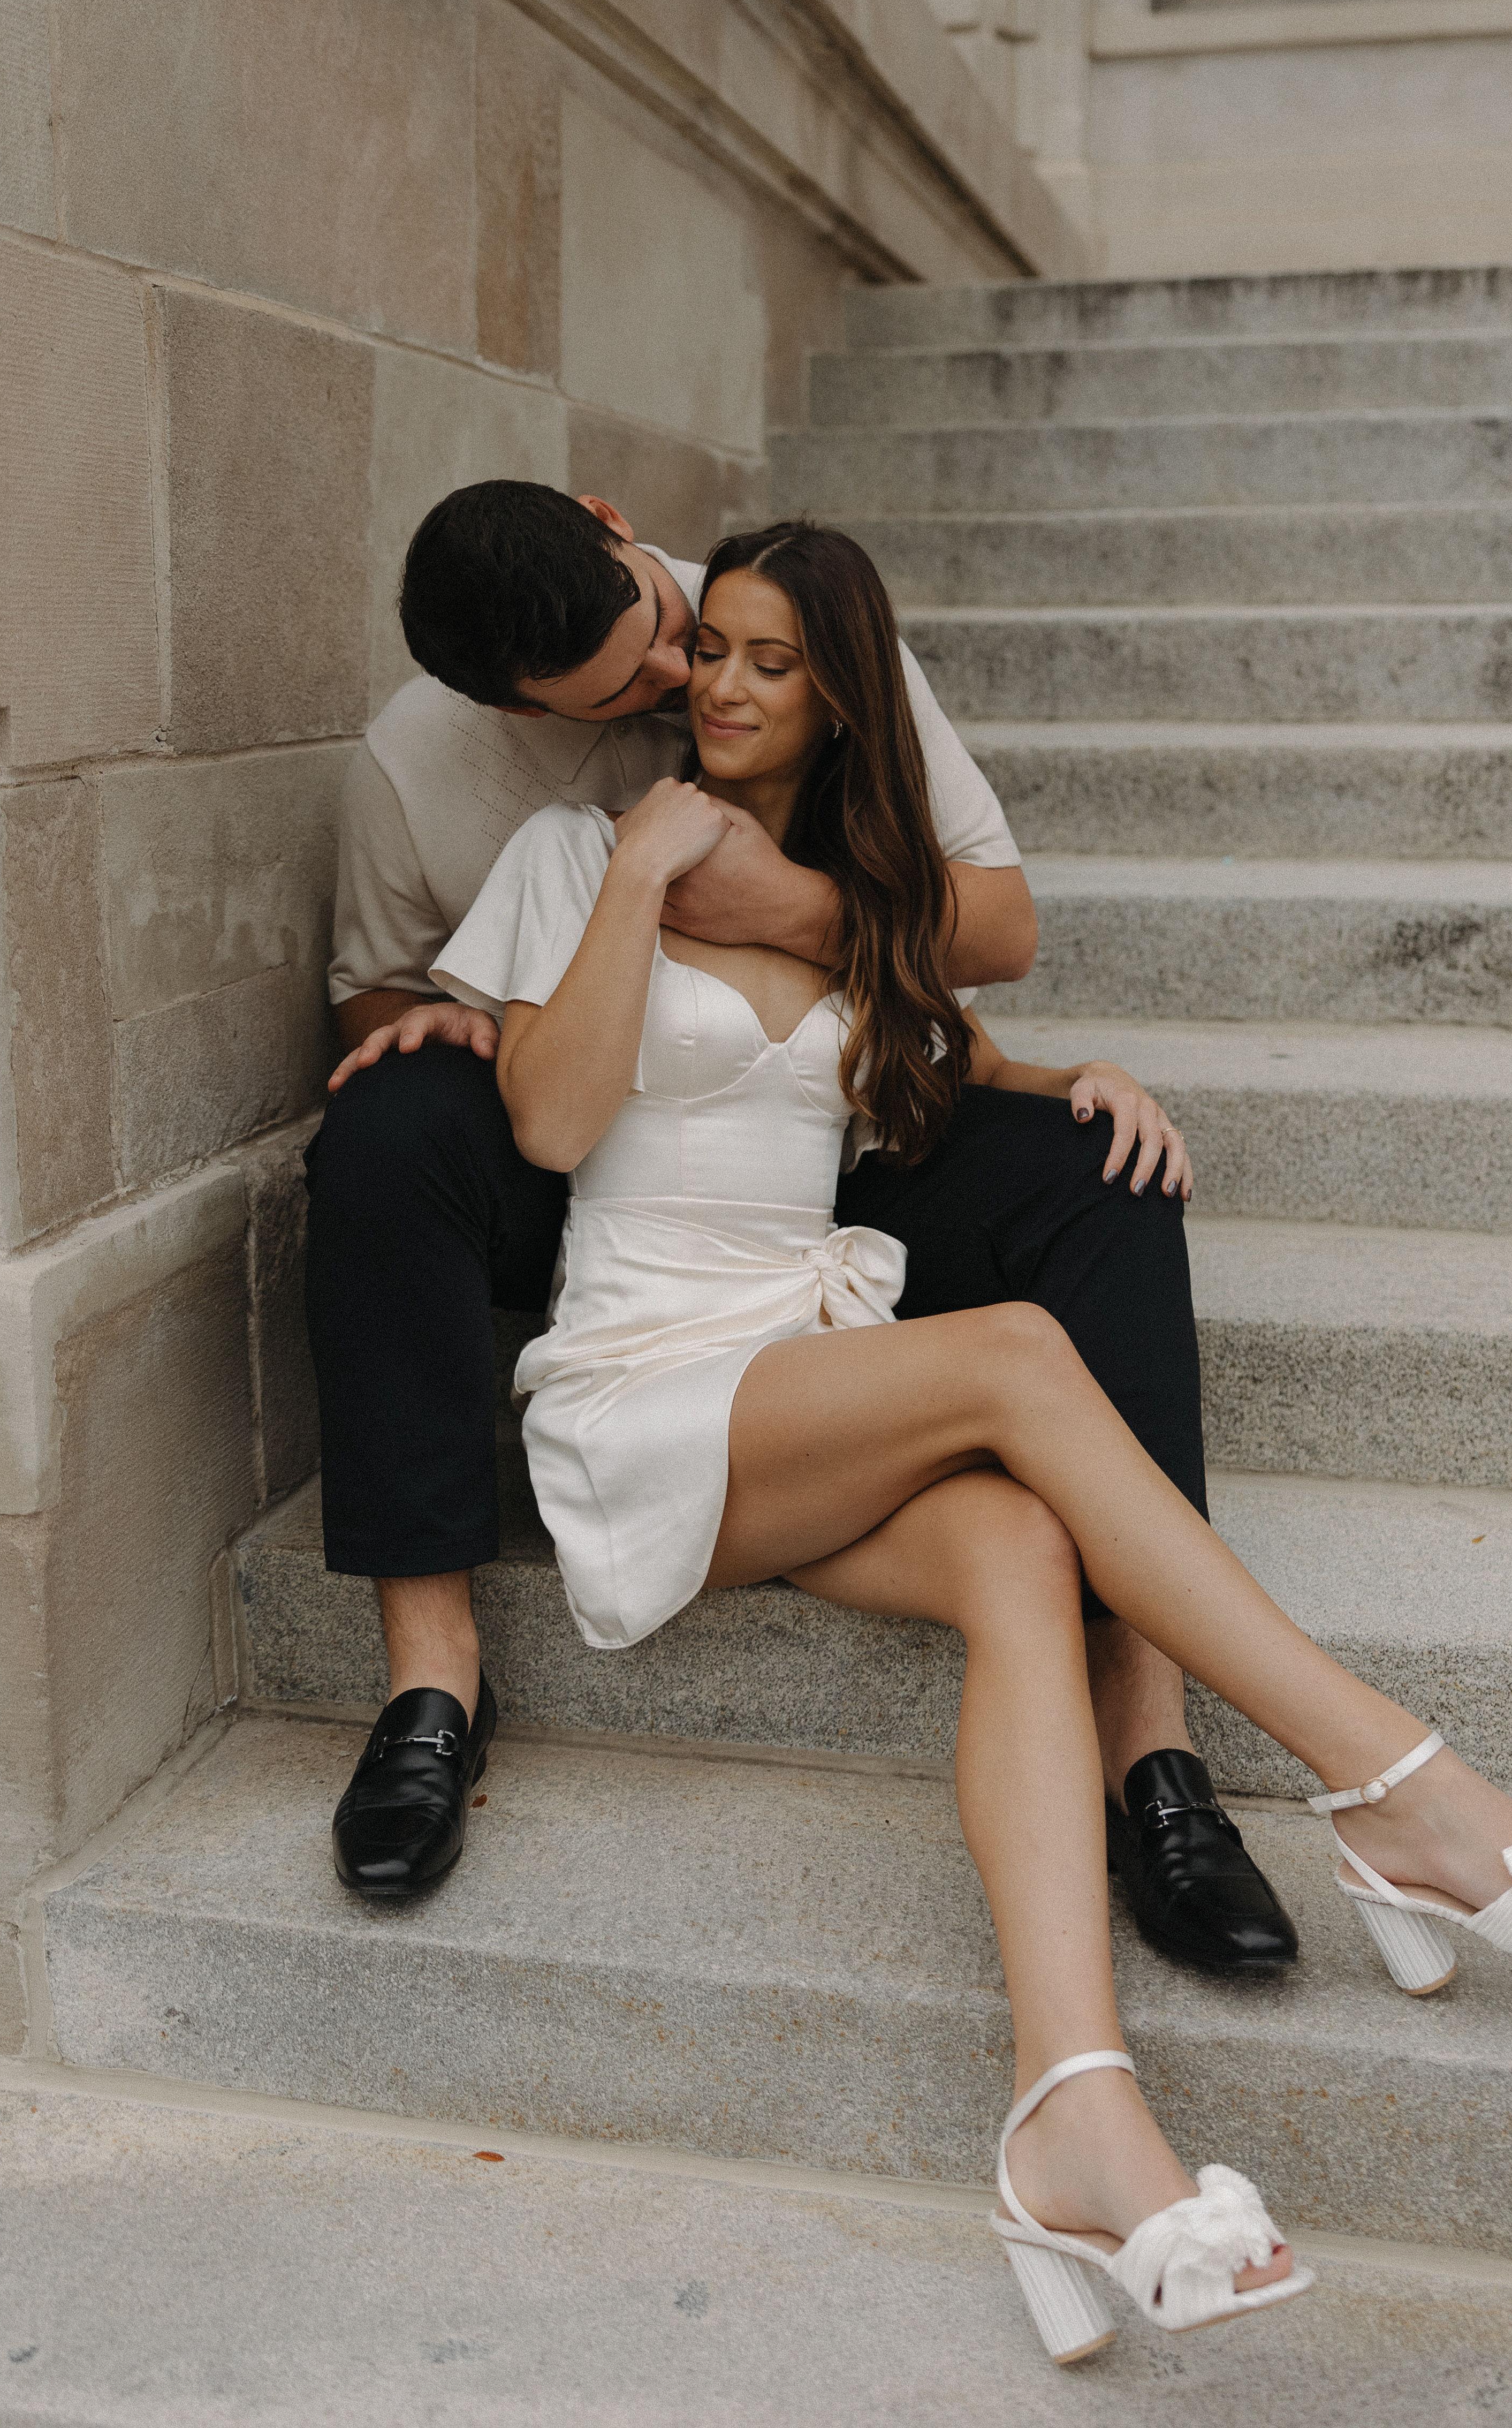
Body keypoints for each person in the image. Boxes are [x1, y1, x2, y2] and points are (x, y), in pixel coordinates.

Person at [423, 521, 1512, 2361]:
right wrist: (637, 871)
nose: (724, 687)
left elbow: (929, 1064)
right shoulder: (574, 849)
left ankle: (1073, 2124)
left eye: (775, 663)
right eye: (717, 654)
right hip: (644, 1380)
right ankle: (1399, 1787)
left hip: (801, 1368)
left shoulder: (855, 885)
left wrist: (1077, 1080)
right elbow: (546, 1124)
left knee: (1020, 1540)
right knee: (1015, 1356)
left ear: (841, 695)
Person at [311, 485, 1293, 1981]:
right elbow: (373, 996)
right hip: (577, 1141)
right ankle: (432, 1679)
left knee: (1102, 1171)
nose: (683, 683)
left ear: (615, 525)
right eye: (629, 689)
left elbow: (997, 932)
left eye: (676, 635)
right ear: (518, 705)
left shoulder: (787, 620)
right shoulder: (421, 771)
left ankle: (1148, 1745)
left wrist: (789, 907)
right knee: (383, 1125)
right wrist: (477, 1017)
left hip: (821, 1126)